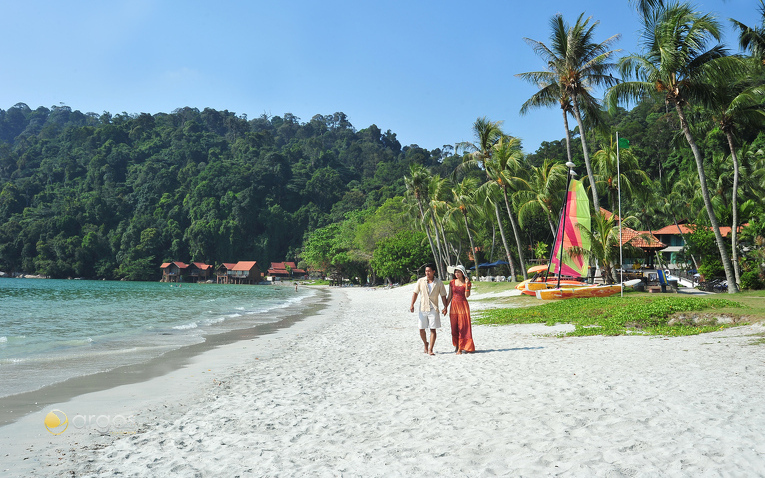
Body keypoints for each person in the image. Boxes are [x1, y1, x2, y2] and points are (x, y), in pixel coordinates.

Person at [410, 264, 449, 356]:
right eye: (426, 271)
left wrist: (445, 307)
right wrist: (412, 304)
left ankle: (430, 349)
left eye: (429, 271)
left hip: (434, 308)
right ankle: (425, 344)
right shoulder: (421, 281)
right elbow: (415, 293)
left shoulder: (438, 282)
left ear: (433, 271)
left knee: (433, 329)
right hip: (423, 308)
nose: (427, 273)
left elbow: (443, 295)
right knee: (421, 329)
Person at [445, 265, 475, 354]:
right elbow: (450, 296)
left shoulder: (467, 283)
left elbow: (467, 296)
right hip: (453, 306)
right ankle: (457, 346)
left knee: (463, 327)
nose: (456, 273)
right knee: (454, 327)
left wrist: (466, 285)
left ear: (462, 273)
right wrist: (445, 307)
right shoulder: (452, 282)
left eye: (458, 272)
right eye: (455, 272)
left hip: (463, 306)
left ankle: (461, 348)